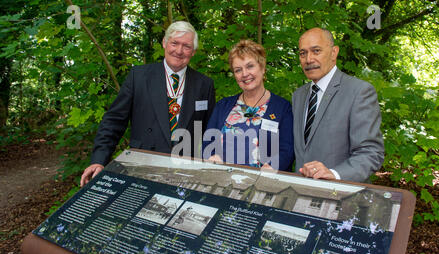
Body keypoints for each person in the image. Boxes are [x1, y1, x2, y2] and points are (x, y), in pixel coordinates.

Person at [80, 21, 215, 186]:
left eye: (186, 46)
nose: (179, 51)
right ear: (164, 43)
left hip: (184, 173)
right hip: (142, 166)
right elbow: (114, 121)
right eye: (174, 43)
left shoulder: (204, 84)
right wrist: (99, 160)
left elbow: (210, 130)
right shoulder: (139, 76)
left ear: (193, 52)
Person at [292, 28, 384, 182]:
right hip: (301, 194)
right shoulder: (298, 96)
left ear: (334, 52)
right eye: (303, 53)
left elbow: (371, 152)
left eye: (316, 51)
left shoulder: (359, 91)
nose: (308, 59)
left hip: (341, 196)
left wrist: (334, 174)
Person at [203, 39, 294, 171]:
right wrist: (213, 157)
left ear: (262, 68)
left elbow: (287, 149)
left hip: (263, 184)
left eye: (250, 66)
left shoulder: (282, 108)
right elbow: (208, 142)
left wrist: (273, 167)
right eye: (238, 70)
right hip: (223, 181)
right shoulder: (223, 106)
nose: (245, 74)